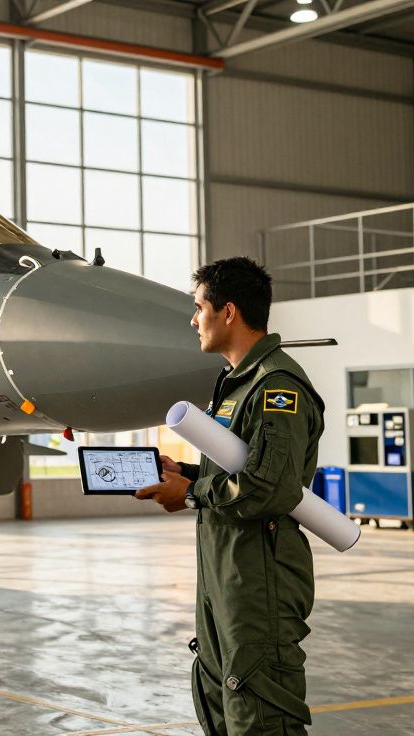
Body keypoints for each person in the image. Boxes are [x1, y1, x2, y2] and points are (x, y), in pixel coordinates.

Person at [135, 257, 323, 736]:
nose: (193, 319)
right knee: (225, 707)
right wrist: (190, 472)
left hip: (259, 581)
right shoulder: (236, 385)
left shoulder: (277, 387)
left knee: (261, 716)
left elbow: (270, 487)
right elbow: (246, 467)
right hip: (228, 578)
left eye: (199, 307)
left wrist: (193, 493)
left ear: (230, 312)